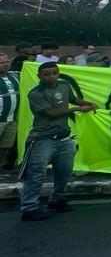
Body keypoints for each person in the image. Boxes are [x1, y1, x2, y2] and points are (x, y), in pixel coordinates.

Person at [21, 62, 98, 221]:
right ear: (39, 76)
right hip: (43, 139)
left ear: (58, 73)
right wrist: (77, 109)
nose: (51, 77)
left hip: (64, 138)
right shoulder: (35, 93)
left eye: (54, 73)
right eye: (46, 74)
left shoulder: (64, 85)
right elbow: (51, 113)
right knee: (36, 174)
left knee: (64, 171)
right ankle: (29, 208)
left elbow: (73, 99)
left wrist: (88, 104)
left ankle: (56, 200)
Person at [0, 53, 20, 170]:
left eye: (7, 62)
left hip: (12, 120)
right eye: (2, 62)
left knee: (5, 147)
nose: (5, 64)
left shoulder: (14, 77)